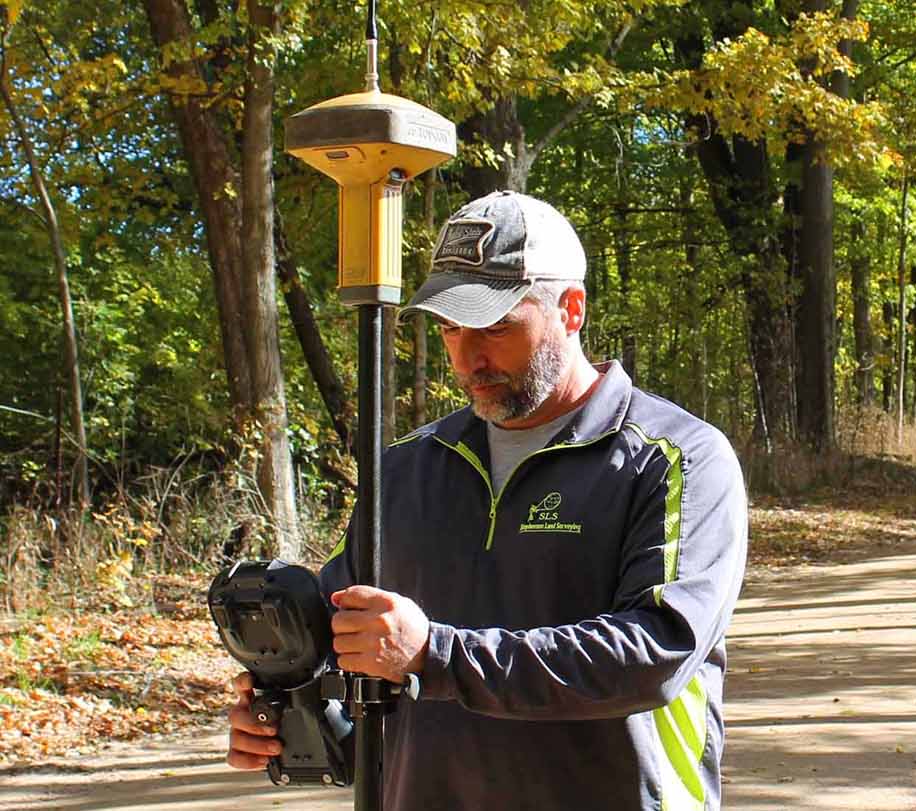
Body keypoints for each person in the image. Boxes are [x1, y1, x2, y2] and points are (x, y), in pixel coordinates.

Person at [225, 190, 749, 810]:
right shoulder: (405, 469)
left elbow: (655, 652)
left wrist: (434, 653)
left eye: (496, 325)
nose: (469, 356)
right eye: (450, 327)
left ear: (571, 309)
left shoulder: (675, 457)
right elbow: (344, 647)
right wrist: (288, 710)